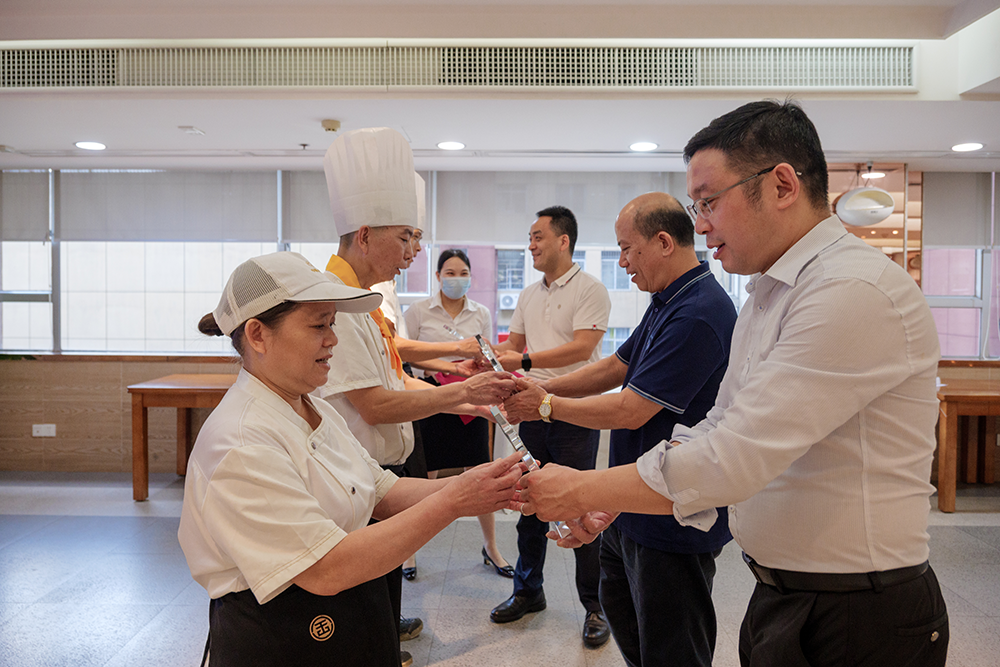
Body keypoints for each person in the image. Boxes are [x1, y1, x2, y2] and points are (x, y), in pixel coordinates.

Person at [518, 100, 949, 667]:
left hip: (858, 607)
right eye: (695, 206)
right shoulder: (767, 295)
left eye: (709, 202)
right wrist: (610, 503)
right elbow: (715, 427)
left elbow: (733, 457)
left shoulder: (850, 290)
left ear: (782, 185)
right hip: (781, 589)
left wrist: (583, 488)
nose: (699, 224)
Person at [177, 251, 524, 667]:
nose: (333, 340)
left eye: (333, 324)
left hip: (354, 613)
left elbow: (381, 490)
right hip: (281, 637)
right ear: (257, 335)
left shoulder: (316, 408)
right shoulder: (241, 442)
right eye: (318, 326)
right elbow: (326, 568)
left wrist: (491, 484)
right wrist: (455, 501)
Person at [502, 192, 736, 666]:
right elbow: (615, 366)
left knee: (672, 648)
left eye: (627, 249)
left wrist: (545, 405)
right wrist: (542, 391)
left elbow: (631, 410)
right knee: (628, 623)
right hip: (632, 498)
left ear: (664, 242)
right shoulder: (666, 300)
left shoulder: (699, 311)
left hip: (672, 515)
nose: (623, 261)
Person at [318, 127, 517, 665]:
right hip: (354, 478)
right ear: (364, 235)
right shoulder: (337, 303)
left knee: (381, 604)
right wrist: (464, 388)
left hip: (379, 475)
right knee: (361, 616)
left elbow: (395, 377)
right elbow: (375, 404)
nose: (414, 252)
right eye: (405, 237)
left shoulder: (365, 301)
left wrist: (468, 399)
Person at [488, 205, 613, 648]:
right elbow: (514, 344)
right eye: (529, 237)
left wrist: (522, 361)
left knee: (581, 504)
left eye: (538, 237)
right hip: (530, 411)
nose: (531, 245)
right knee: (528, 499)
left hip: (574, 410)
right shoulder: (528, 295)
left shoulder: (590, 289)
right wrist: (482, 354)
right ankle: (528, 590)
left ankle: (596, 606)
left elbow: (581, 347)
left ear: (564, 240)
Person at [405, 248, 514, 578]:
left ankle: (491, 546)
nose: (457, 279)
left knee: (482, 470)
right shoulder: (418, 311)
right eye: (450, 273)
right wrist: (446, 366)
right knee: (424, 475)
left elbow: (486, 355)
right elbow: (407, 355)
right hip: (431, 397)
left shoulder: (480, 313)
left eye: (463, 273)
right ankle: (408, 551)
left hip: (473, 401)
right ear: (438, 276)